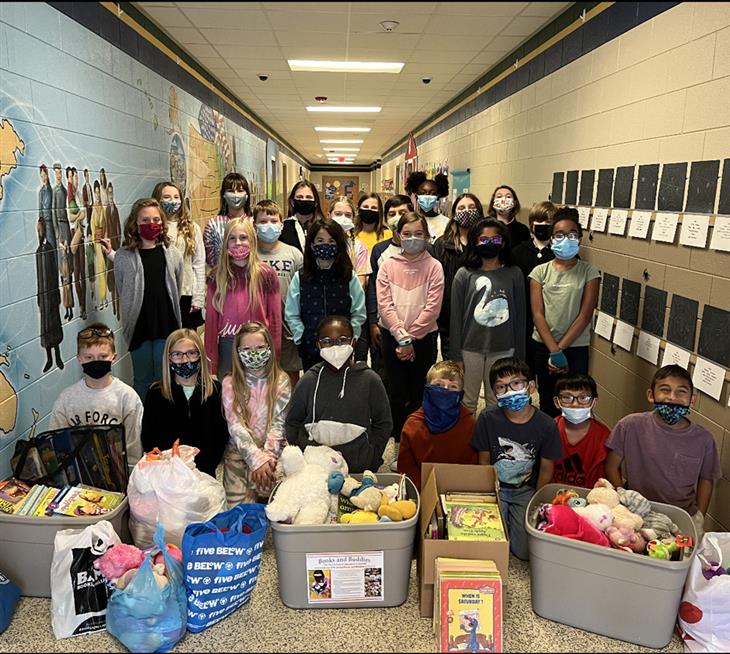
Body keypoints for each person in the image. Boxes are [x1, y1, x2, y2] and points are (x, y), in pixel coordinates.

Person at [605, 365, 720, 542]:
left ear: (693, 400)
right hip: (636, 513)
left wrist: (699, 517)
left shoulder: (704, 440)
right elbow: (612, 465)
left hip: (681, 517)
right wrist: (621, 493)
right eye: (665, 390)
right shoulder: (630, 425)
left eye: (681, 392)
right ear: (651, 395)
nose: (672, 398)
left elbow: (706, 480)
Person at [471, 357, 562, 560]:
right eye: (501, 387)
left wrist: (537, 504)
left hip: (525, 490)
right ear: (494, 393)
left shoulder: (546, 424)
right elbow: (483, 461)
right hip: (496, 487)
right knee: (489, 543)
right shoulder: (487, 418)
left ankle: (515, 520)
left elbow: (547, 469)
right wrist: (489, 494)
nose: (510, 391)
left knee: (523, 552)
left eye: (516, 383)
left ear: (531, 386)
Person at [376, 212, 444, 470]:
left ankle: (418, 445)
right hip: (392, 338)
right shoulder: (388, 264)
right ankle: (398, 447)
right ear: (398, 235)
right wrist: (401, 338)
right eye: (407, 234)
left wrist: (411, 338)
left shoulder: (434, 267)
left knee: (419, 393)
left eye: (418, 234)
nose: (413, 238)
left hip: (424, 339)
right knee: (397, 393)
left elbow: (432, 308)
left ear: (427, 236)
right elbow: (385, 304)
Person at [284, 316, 392, 473]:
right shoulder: (309, 380)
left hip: (358, 467)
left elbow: (383, 422)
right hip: (315, 468)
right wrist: (303, 454)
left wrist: (371, 457)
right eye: (327, 341)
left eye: (342, 340)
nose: (335, 346)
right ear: (318, 345)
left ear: (353, 342)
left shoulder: (369, 380)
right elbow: (293, 421)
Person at [109, 198, 183, 399]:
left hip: (165, 327)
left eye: (156, 219)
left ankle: (164, 421)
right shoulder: (124, 256)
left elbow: (177, 284)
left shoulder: (172, 253)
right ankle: (142, 423)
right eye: (145, 220)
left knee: (163, 378)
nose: (152, 224)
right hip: (139, 328)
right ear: (135, 223)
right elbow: (122, 288)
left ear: (162, 223)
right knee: (141, 379)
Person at [529, 207, 600, 416]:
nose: (565, 240)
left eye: (571, 235)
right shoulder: (539, 272)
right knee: (548, 399)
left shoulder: (589, 272)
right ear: (551, 239)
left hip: (575, 347)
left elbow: (585, 315)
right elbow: (537, 314)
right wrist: (553, 351)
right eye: (559, 235)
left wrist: (560, 351)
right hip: (543, 345)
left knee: (575, 400)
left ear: (579, 239)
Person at [450, 219, 526, 412]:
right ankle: (467, 440)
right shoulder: (464, 274)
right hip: (470, 348)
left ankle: (493, 439)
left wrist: (519, 354)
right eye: (484, 239)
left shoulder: (514, 274)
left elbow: (520, 317)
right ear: (475, 241)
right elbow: (456, 318)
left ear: (503, 242)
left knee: (497, 399)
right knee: (467, 400)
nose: (489, 243)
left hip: (504, 348)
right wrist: (456, 354)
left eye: (495, 239)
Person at [49, 323, 143, 469]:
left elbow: (133, 448)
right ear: (79, 359)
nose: (96, 362)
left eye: (103, 356)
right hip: (79, 477)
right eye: (89, 357)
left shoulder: (127, 397)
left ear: (114, 357)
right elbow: (57, 445)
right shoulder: (66, 399)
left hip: (119, 475)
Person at [141, 328, 227, 477]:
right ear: (169, 358)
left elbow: (220, 434)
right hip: (167, 473)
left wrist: (207, 464)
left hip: (204, 472)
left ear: (200, 355)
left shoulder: (214, 391)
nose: (185, 360)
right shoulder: (156, 394)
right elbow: (149, 437)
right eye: (177, 355)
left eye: (191, 353)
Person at [222, 321, 291, 507]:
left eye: (260, 347)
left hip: (273, 453)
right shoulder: (229, 383)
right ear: (238, 352)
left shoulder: (281, 381)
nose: (254, 353)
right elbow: (235, 425)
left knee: (280, 507)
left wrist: (266, 459)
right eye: (247, 348)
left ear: (269, 348)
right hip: (239, 453)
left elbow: (279, 424)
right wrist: (255, 459)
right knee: (238, 512)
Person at [284, 219, 366, 372]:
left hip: (343, 349)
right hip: (311, 347)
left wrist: (350, 340)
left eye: (331, 241)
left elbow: (359, 313)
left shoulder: (349, 276)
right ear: (312, 245)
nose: (325, 245)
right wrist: (301, 338)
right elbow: (292, 314)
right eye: (320, 240)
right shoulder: (300, 277)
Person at [204, 217, 281, 379]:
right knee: (229, 397)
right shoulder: (215, 277)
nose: (238, 242)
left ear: (252, 241)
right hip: (228, 346)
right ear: (226, 243)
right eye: (232, 238)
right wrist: (211, 366)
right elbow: (210, 323)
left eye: (243, 237)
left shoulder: (266, 274)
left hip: (259, 347)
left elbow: (274, 319)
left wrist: (275, 356)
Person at [397, 361, 478, 490]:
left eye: (452, 387)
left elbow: (474, 466)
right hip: (422, 490)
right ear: (428, 388)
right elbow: (406, 468)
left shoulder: (470, 424)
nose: (445, 391)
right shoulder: (412, 425)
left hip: (460, 492)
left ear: (461, 394)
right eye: (439, 385)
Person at [253, 199, 304, 387]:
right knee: (260, 373)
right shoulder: (250, 254)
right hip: (257, 324)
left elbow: (301, 290)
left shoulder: (294, 254)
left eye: (274, 221)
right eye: (263, 221)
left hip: (287, 326)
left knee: (290, 373)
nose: (269, 226)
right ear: (254, 225)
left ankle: (291, 413)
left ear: (281, 225)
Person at [366, 194, 414, 372]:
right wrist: (373, 322)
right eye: (392, 213)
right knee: (385, 374)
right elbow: (373, 289)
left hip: (415, 326)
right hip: (385, 325)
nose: (397, 217)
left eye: (402, 212)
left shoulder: (425, 249)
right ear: (385, 219)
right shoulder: (380, 250)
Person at [433, 193, 484, 359]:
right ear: (454, 214)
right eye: (461, 208)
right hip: (449, 318)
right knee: (454, 368)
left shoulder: (485, 244)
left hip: (479, 315)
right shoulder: (442, 244)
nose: (467, 211)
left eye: (471, 208)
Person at [152, 181, 205, 329]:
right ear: (158, 200)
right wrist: (112, 254)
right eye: (167, 197)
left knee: (186, 343)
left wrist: (199, 297)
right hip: (162, 296)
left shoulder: (192, 228)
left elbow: (199, 264)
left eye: (176, 197)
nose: (173, 201)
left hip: (186, 293)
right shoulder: (153, 227)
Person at [511, 201, 556, 370]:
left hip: (550, 319)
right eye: (540, 222)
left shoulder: (558, 254)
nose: (544, 226)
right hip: (523, 316)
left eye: (549, 223)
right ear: (531, 225)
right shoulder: (518, 252)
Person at [551, 373, 610, 489]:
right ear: (557, 401)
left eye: (583, 398)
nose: (575, 404)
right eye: (567, 398)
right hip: (554, 494)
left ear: (594, 402)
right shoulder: (550, 429)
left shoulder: (603, 436)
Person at [204, 172, 252, 267]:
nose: (236, 195)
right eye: (231, 191)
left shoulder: (254, 223)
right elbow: (210, 259)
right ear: (224, 195)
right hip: (222, 278)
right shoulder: (213, 224)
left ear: (247, 195)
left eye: (240, 190)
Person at [35, 218, 64, 373]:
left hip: (52, 296)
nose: (40, 233)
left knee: (54, 325)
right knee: (45, 328)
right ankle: (49, 358)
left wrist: (56, 294)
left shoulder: (49, 249)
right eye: (38, 231)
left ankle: (58, 356)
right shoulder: (38, 252)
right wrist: (39, 298)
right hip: (43, 298)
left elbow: (53, 273)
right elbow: (39, 278)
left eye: (41, 230)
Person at [280, 180, 325, 252]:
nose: (304, 200)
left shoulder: (323, 226)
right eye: (299, 197)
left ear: (316, 202)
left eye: (309, 197)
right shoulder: (283, 227)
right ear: (292, 202)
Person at [406, 171, 450, 243]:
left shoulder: (446, 222)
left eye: (432, 193)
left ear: (438, 197)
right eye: (423, 193)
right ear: (417, 196)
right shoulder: (410, 220)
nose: (427, 196)